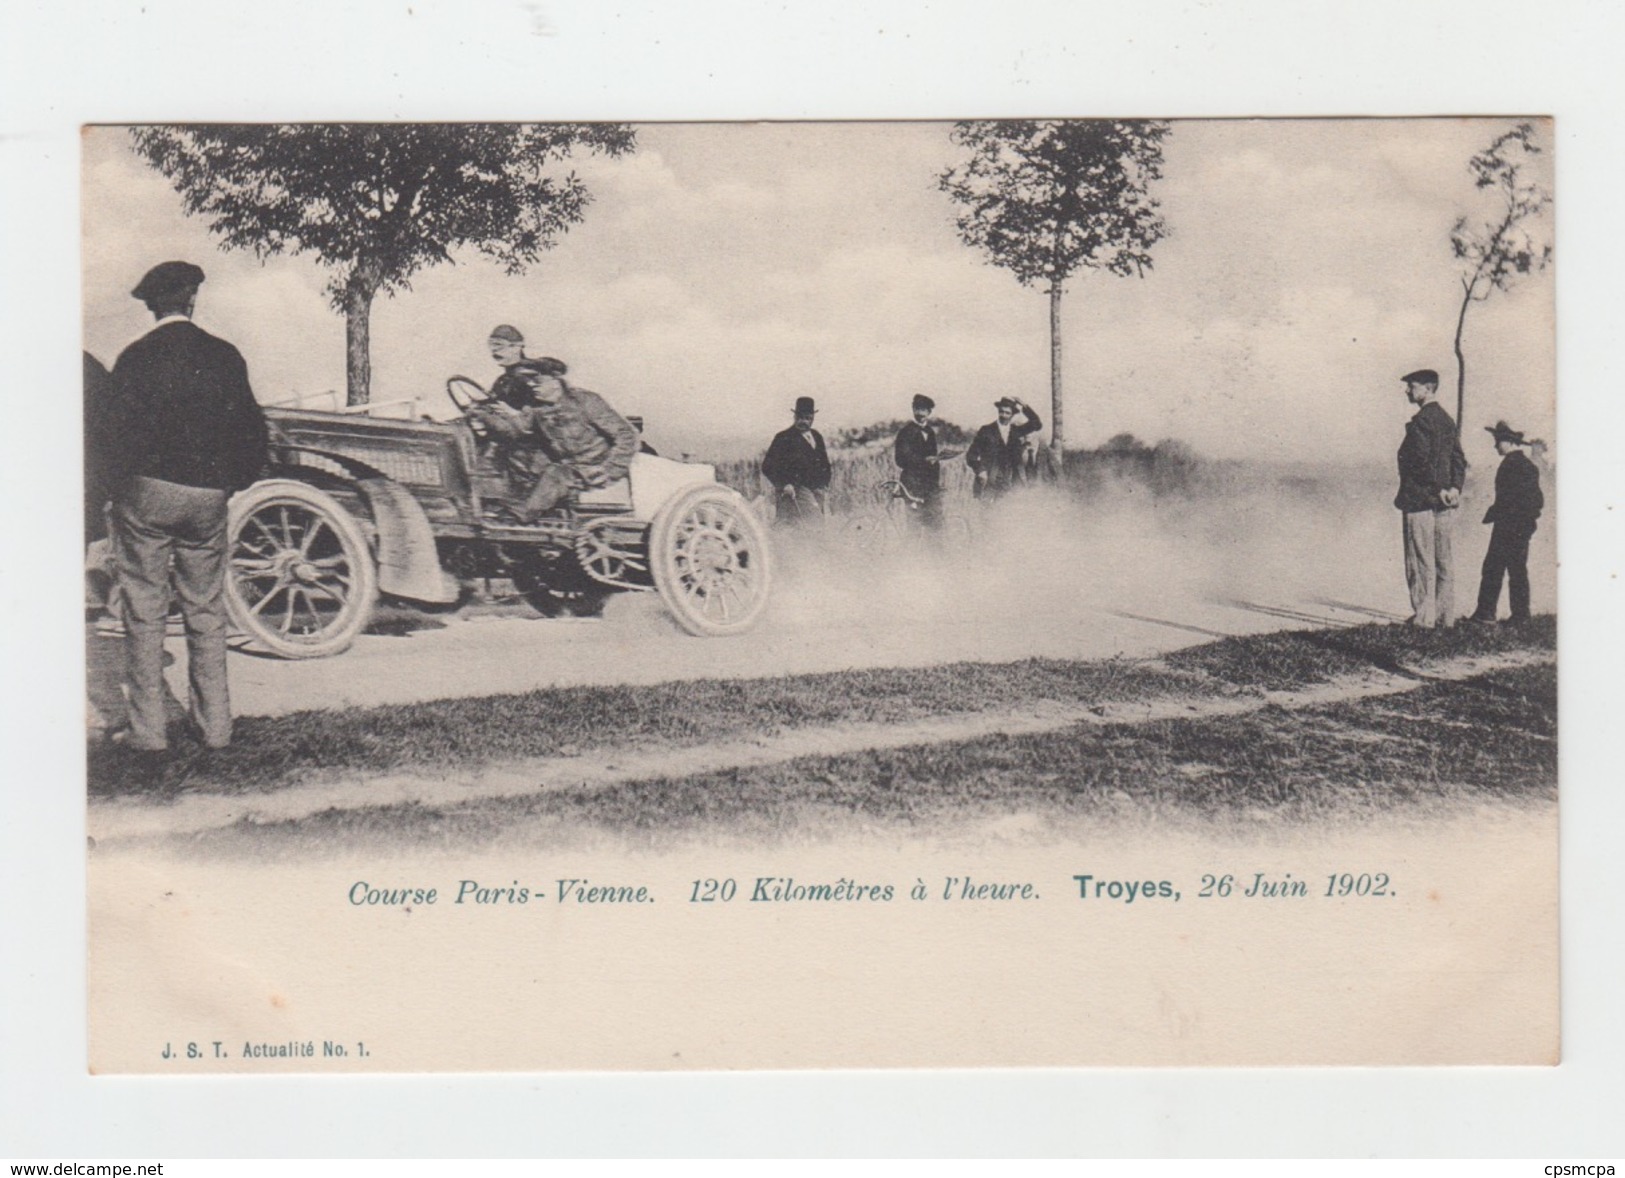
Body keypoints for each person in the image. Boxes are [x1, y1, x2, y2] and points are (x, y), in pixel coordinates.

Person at [106, 261, 269, 758]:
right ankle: (216, 728)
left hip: (147, 495)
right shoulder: (224, 356)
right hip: (207, 499)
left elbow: (111, 436)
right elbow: (252, 430)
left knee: (145, 610)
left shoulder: (134, 357)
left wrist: (119, 490)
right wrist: (230, 484)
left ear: (153, 305)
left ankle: (148, 733)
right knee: (206, 608)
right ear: (192, 299)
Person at [470, 361, 637, 522]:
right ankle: (496, 503)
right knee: (516, 456)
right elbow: (514, 430)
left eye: (537, 380)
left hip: (594, 468)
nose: (531, 385)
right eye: (528, 381)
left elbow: (626, 435)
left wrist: (610, 469)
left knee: (556, 473)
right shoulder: (537, 409)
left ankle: (517, 516)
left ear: (555, 381)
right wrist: (483, 414)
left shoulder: (585, 401)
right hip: (569, 467)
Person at [1393, 368, 1467, 628]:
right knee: (1443, 560)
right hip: (1445, 502)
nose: (1407, 391)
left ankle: (1423, 618)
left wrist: (1438, 489)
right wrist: (1454, 488)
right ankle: (1445, 618)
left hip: (1420, 500)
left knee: (1419, 559)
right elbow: (1459, 460)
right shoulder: (1447, 420)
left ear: (1427, 388)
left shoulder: (1422, 421)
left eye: (1412, 386)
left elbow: (1421, 463)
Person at [1466, 420, 1544, 625]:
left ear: (1509, 442)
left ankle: (1486, 613)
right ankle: (1520, 615)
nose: (1495, 446)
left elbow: (1510, 500)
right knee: (1517, 569)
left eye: (1498, 441)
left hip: (1508, 526)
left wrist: (1500, 515)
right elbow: (1537, 501)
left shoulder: (1511, 465)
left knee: (1493, 568)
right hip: (1520, 526)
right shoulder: (1527, 465)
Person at [761, 396, 832, 526]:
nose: (803, 421)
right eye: (800, 417)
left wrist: (825, 483)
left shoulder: (817, 436)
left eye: (807, 418)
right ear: (794, 416)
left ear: (812, 418)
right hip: (794, 491)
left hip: (817, 492)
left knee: (813, 528)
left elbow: (825, 463)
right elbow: (767, 466)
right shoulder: (783, 437)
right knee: (811, 525)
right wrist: (785, 484)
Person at [966, 396, 1042, 499]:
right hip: (989, 481)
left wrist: (1025, 406)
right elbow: (971, 455)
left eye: (1007, 413)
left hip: (1010, 482)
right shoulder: (986, 430)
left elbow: (1037, 424)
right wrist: (980, 471)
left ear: (1012, 415)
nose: (1003, 415)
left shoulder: (1016, 431)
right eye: (1001, 412)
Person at [894, 393, 945, 529]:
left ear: (929, 412)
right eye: (918, 409)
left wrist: (935, 465)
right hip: (912, 484)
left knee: (934, 523)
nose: (921, 413)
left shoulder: (931, 432)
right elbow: (900, 459)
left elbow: (934, 458)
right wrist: (924, 461)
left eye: (924, 410)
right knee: (914, 524)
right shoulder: (905, 432)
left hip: (930, 485)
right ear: (913, 410)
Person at [485, 324, 567, 409]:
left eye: (498, 344)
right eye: (491, 345)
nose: (493, 350)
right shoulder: (502, 381)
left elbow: (548, 411)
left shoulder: (535, 374)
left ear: (516, 347)